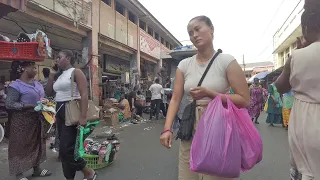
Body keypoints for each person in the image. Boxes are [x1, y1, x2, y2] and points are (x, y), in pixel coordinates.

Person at [159, 15, 250, 180]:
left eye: (197, 29)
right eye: (190, 32)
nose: (194, 35)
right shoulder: (184, 65)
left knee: (214, 175)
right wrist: (167, 128)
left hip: (218, 126)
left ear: (211, 29)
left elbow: (244, 100)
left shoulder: (227, 61)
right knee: (187, 174)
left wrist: (210, 94)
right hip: (190, 126)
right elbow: (175, 99)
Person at [275, 1, 320, 178]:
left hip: (306, 121)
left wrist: (297, 54)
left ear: (307, 28)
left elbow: (280, 86)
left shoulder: (298, 56)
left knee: (308, 170)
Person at [46, 50, 97, 180]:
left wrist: (83, 116)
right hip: (60, 111)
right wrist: (51, 76)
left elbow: (84, 94)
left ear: (68, 58)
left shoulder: (76, 72)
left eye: (59, 57)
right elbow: (49, 93)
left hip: (72, 111)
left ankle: (88, 172)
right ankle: (69, 177)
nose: (56, 60)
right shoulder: (59, 75)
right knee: (62, 151)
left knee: (66, 150)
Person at [5, 61, 51, 180]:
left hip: (37, 119)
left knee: (38, 144)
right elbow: (9, 104)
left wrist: (45, 102)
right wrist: (29, 106)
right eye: (33, 68)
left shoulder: (37, 83)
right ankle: (19, 174)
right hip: (21, 121)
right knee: (20, 146)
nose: (36, 70)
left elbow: (42, 97)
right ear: (24, 69)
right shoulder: (16, 86)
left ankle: (37, 169)